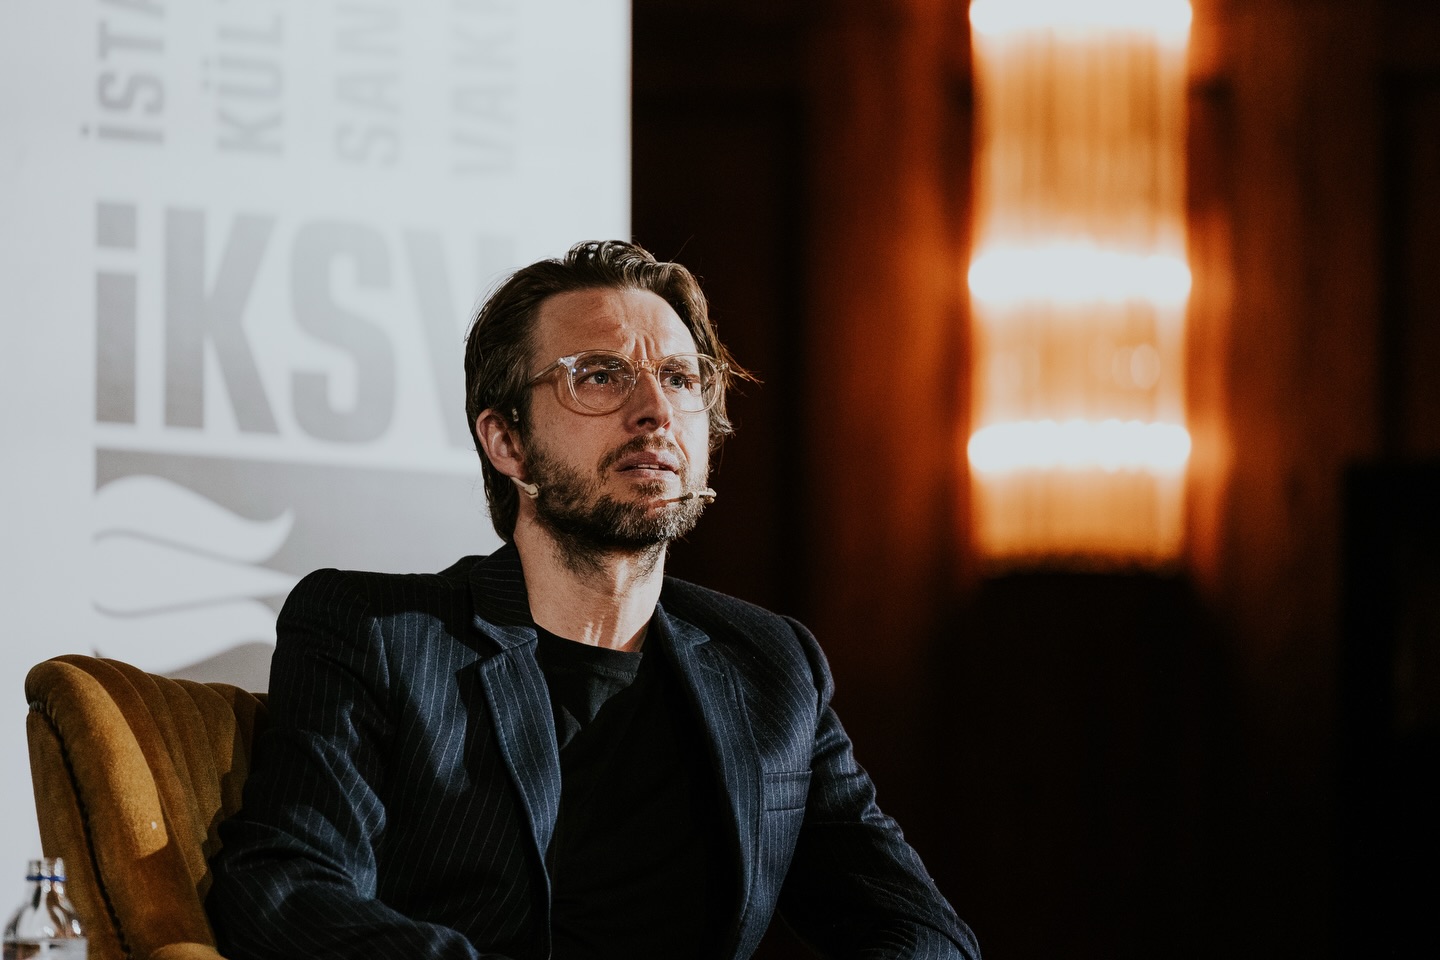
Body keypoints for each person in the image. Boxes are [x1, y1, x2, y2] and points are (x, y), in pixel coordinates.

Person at [207, 240, 980, 959]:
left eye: (680, 379)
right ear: (507, 442)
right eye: (601, 376)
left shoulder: (771, 666)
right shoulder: (376, 634)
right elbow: (283, 891)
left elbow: (922, 930)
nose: (656, 412)